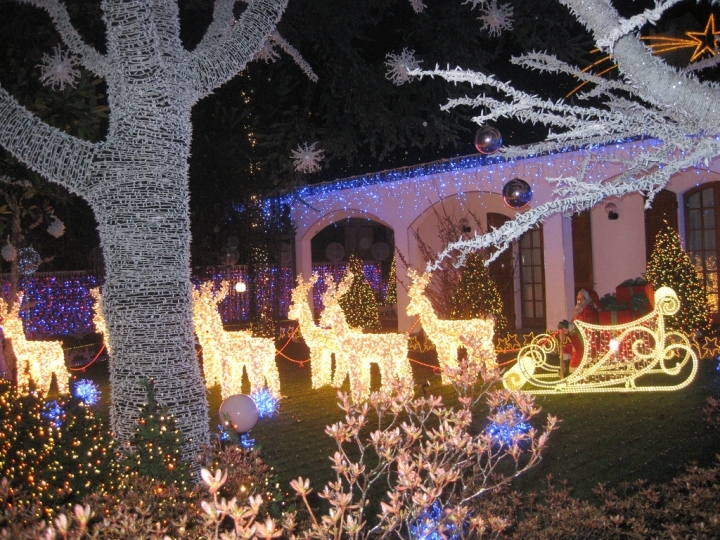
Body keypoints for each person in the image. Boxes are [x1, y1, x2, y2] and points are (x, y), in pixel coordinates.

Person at [558, 288, 600, 377]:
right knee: (565, 349)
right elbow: (573, 324)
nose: (578, 300)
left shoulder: (589, 311)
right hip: (578, 338)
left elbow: (581, 325)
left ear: (586, 299)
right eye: (578, 297)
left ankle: (573, 374)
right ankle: (565, 368)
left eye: (581, 298)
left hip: (587, 341)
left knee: (576, 353)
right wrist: (566, 327)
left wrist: (569, 327)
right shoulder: (578, 311)